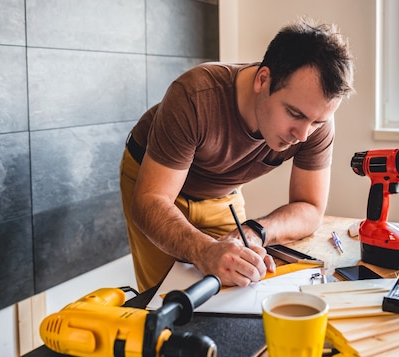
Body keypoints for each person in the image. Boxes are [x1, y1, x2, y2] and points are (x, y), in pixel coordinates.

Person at [120, 17, 354, 292]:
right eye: (294, 114)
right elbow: (150, 200)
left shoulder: (314, 123)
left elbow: (310, 208)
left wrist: (257, 231)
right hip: (155, 187)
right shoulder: (194, 95)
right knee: (167, 298)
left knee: (236, 283)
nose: (302, 135)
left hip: (222, 192)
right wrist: (204, 251)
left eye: (316, 122)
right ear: (263, 79)